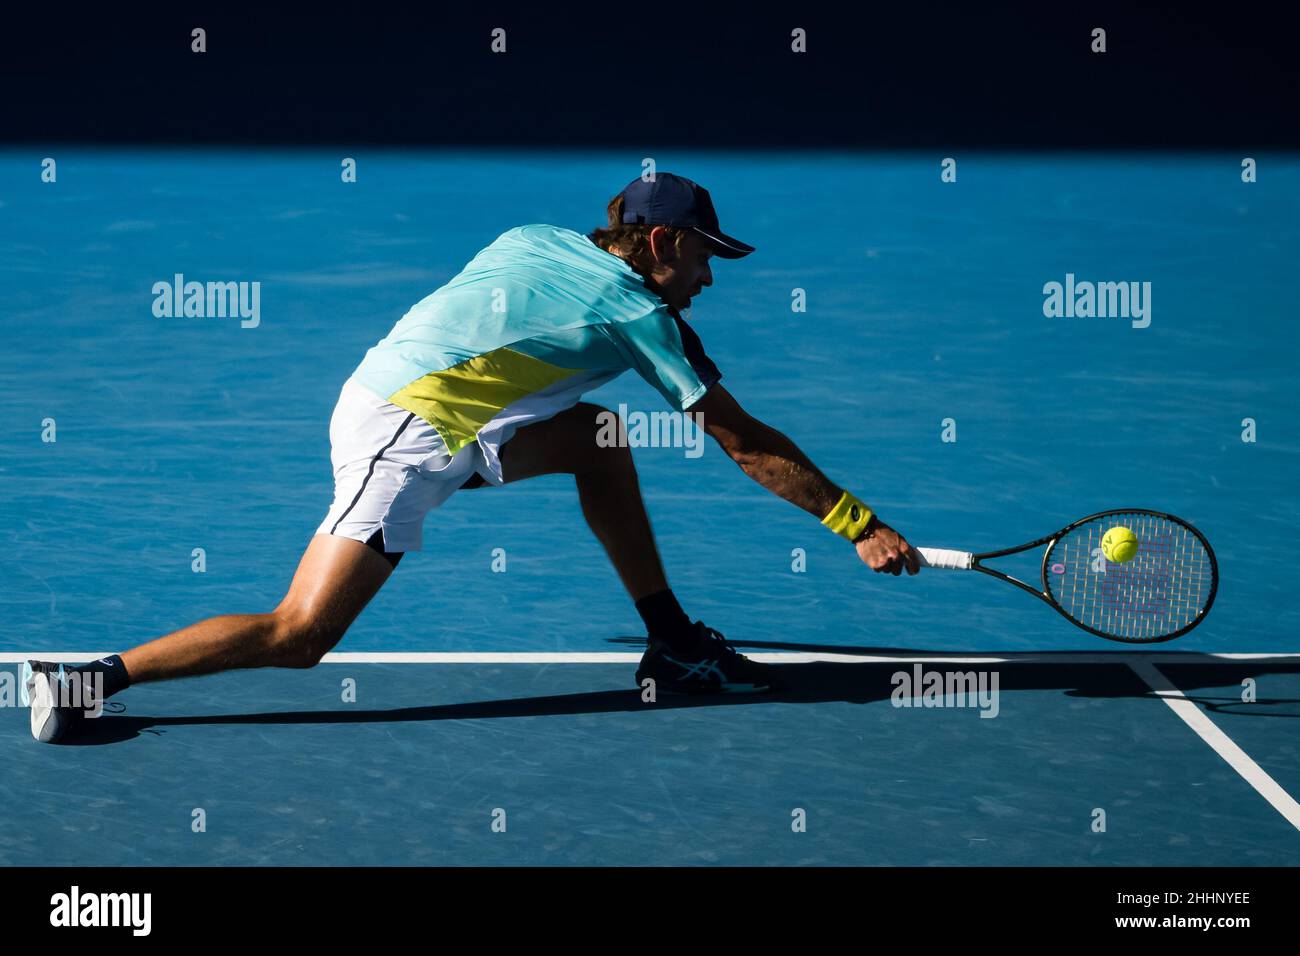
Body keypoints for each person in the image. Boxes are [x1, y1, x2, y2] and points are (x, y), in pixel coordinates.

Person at [24, 172, 919, 744]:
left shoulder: (532, 236)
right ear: (658, 243)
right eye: (700, 256)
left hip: (397, 397)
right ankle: (91, 680)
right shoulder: (642, 318)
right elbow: (746, 442)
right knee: (301, 635)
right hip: (406, 436)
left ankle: (673, 646)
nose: (708, 277)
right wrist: (857, 524)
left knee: (602, 442)